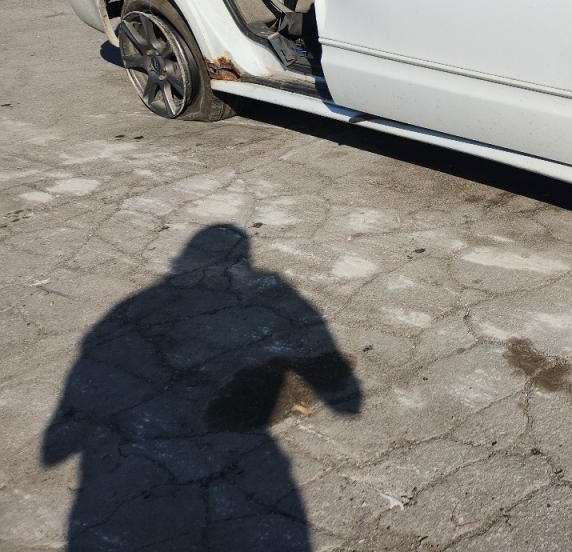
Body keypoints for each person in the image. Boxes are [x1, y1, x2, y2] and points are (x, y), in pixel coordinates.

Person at [42, 224, 362, 551]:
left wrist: (61, 435)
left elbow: (59, 435)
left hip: (113, 492)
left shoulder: (132, 306)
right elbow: (346, 400)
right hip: (247, 465)